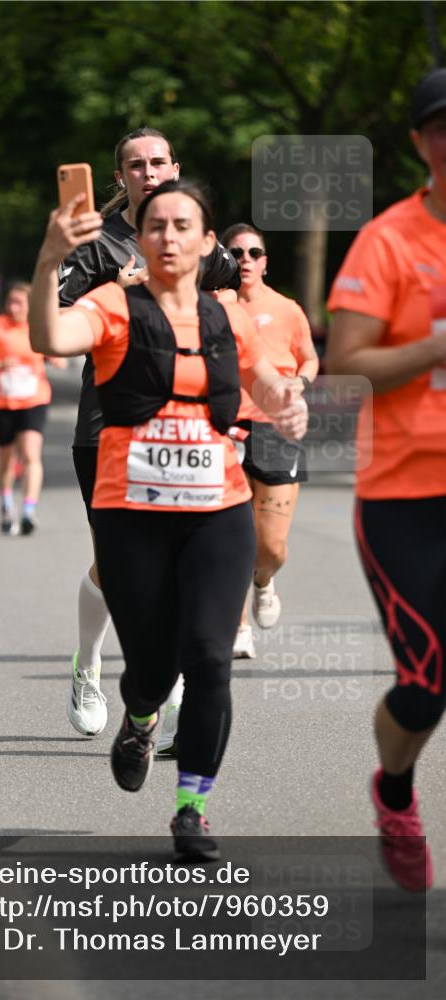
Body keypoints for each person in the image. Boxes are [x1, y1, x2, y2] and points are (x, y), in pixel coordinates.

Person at [30, 179, 307, 858]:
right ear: (141, 238)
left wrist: (287, 401)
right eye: (156, 225)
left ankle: (191, 809)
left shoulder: (227, 317)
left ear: (207, 242)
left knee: (210, 659)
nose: (169, 237)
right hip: (132, 514)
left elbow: (265, 378)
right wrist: (49, 257)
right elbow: (50, 335)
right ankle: (140, 714)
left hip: (217, 511)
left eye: (184, 226)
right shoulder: (112, 306)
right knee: (152, 668)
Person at [326, 67, 446, 892]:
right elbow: (345, 365)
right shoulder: (388, 240)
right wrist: (436, 345)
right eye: (441, 128)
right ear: (417, 142)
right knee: (428, 680)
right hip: (405, 495)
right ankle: (394, 793)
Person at [58, 126, 182, 742]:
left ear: (174, 168)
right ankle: (88, 667)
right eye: (137, 165)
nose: (149, 172)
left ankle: (174, 690)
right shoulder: (97, 245)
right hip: (107, 424)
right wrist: (119, 294)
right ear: (120, 178)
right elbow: (54, 320)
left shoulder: (196, 237)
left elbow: (237, 307)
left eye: (158, 162)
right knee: (117, 563)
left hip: (183, 424)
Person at [222, 223, 319, 659]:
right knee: (233, 536)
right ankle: (238, 625)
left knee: (272, 547)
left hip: (276, 426)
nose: (245, 260)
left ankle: (263, 580)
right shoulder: (214, 306)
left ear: (264, 262)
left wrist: (300, 383)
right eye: (235, 252)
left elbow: (309, 358)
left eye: (253, 253)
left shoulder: (287, 309)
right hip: (226, 425)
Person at [0, 282, 66, 535]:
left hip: (34, 400)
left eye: (19, 303)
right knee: (7, 459)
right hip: (2, 401)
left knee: (31, 454)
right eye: (10, 302)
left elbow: (56, 349)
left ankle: (28, 511)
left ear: (30, 304)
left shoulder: (38, 325)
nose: (14, 307)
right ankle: (6, 503)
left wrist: (57, 358)